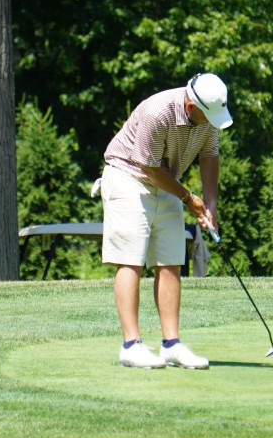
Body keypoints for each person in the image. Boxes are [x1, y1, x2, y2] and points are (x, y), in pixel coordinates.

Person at [99, 73, 232, 369]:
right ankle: (131, 345)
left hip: (168, 180)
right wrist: (188, 198)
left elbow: (209, 156)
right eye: (208, 117)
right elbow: (149, 167)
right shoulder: (157, 112)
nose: (212, 123)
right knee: (130, 259)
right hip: (129, 176)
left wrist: (211, 205)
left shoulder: (207, 116)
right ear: (190, 107)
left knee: (171, 258)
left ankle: (171, 344)